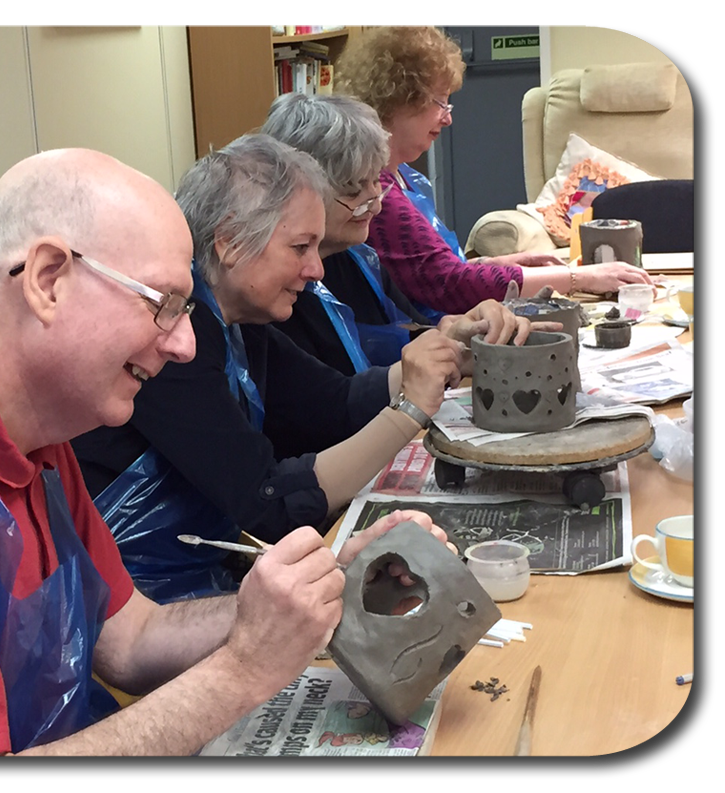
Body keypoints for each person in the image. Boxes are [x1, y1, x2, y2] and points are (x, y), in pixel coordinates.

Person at [0, 148, 452, 757]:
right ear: (48, 280)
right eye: (164, 305)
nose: (183, 343)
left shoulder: (37, 435)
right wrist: (242, 669)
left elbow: (127, 637)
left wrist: (315, 592)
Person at [71, 134, 537, 603]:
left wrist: (447, 352)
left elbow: (331, 403)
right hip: (140, 600)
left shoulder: (237, 317)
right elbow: (266, 503)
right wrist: (409, 410)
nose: (316, 269)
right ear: (230, 243)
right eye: (300, 247)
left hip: (198, 572)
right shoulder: (175, 343)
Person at [334, 24, 654, 314]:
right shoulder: (378, 194)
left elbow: (429, 268)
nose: (448, 118)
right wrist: (579, 277)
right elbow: (449, 284)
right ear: (400, 99)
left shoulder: (406, 179)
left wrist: (501, 263)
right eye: (441, 103)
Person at [260, 92, 551, 377]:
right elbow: (329, 403)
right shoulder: (276, 293)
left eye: (376, 180)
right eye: (354, 189)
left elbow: (413, 331)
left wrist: (460, 333)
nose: (376, 203)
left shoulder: (358, 258)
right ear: (301, 189)